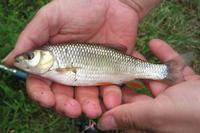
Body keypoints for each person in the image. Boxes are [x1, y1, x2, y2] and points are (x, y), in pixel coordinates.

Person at [4, 0, 200, 132]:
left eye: (29, 57)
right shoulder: (54, 60)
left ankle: (165, 72)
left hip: (115, 63)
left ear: (46, 56)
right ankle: (166, 72)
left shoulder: (57, 64)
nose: (24, 60)